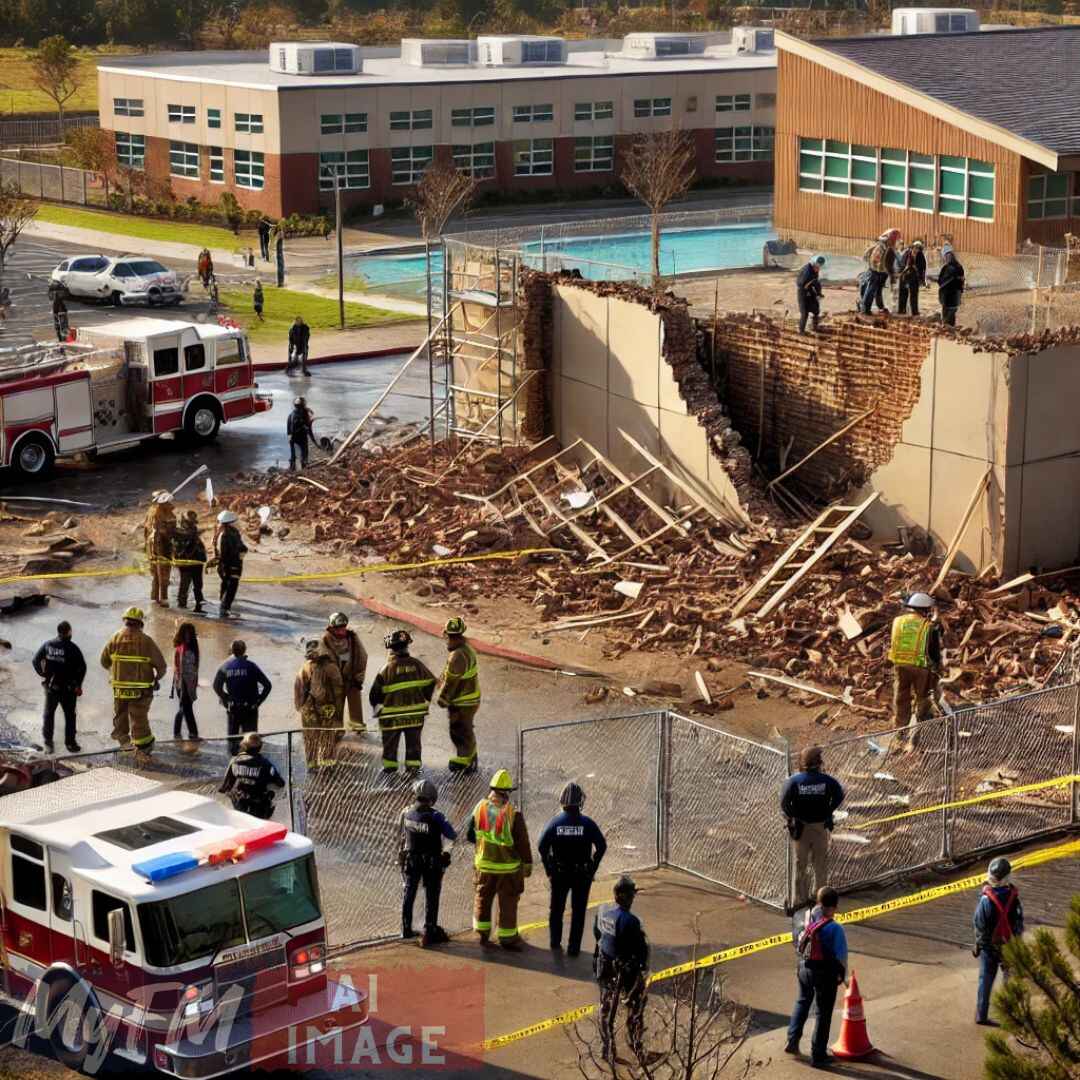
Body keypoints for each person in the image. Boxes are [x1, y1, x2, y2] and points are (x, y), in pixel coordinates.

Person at [467, 769, 533, 950]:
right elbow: (522, 843)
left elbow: (470, 835)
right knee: (508, 902)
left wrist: (484, 846)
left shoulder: (479, 808)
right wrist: (527, 865)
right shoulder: (513, 814)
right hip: (508, 869)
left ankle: (481, 933)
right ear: (506, 792)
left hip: (484, 866)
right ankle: (507, 937)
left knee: (482, 897)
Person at [539, 781, 607, 957]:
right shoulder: (588, 824)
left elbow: (541, 846)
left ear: (563, 801)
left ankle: (555, 943)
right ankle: (574, 948)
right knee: (578, 912)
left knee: (556, 910)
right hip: (581, 874)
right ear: (580, 802)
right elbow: (602, 846)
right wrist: (592, 867)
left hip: (560, 874)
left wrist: (549, 868)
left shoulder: (555, 823)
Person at [786, 885, 849, 1068]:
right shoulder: (834, 928)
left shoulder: (805, 917)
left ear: (818, 902)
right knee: (823, 1013)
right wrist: (843, 979)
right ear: (832, 907)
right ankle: (818, 1055)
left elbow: (796, 939)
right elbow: (841, 957)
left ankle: (792, 1041)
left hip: (803, 967)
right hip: (824, 974)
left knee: (802, 1001)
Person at [594, 875, 650, 1064]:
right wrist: (642, 970)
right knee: (635, 1007)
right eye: (632, 895)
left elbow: (597, 934)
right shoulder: (631, 920)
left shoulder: (603, 911)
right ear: (625, 896)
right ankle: (637, 1048)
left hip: (604, 964)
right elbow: (640, 949)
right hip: (624, 970)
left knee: (605, 1008)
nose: (633, 898)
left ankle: (606, 1049)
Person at [780, 747, 845, 909]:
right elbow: (839, 795)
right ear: (818, 763)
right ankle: (820, 899)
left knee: (800, 864)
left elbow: (784, 803)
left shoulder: (794, 781)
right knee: (820, 864)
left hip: (800, 829)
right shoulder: (828, 781)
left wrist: (793, 816)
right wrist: (828, 810)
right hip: (820, 827)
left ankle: (799, 900)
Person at [100, 606, 167, 757]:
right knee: (139, 718)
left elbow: (104, 661)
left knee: (120, 715)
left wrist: (116, 672)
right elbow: (161, 666)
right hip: (141, 690)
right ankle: (144, 748)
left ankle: (124, 742)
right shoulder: (147, 641)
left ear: (125, 621)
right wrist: (157, 679)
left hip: (120, 689)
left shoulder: (115, 638)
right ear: (140, 623)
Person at [399, 778, 457, 947]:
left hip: (412, 861)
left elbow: (403, 837)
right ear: (432, 797)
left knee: (409, 893)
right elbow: (452, 835)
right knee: (431, 895)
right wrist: (446, 854)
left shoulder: (407, 813)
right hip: (432, 863)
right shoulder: (436, 816)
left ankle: (406, 929)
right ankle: (429, 930)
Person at [369, 629, 436, 774]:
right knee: (414, 744)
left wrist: (377, 706)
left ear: (391, 649)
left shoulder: (386, 669)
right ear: (406, 647)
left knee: (390, 745)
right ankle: (413, 767)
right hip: (415, 716)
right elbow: (431, 682)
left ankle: (390, 768)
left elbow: (374, 694)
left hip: (391, 718)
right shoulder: (418, 665)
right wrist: (424, 700)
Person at [887, 591, 943, 751]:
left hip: (900, 666)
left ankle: (899, 734)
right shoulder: (928, 626)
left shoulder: (897, 621)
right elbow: (934, 653)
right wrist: (938, 668)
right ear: (925, 609)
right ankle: (914, 739)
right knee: (922, 701)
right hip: (921, 668)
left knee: (901, 699)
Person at [973, 856, 1024, 1026]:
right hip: (1009, 944)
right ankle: (1010, 1014)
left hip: (989, 948)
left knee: (985, 980)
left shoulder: (986, 900)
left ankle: (981, 1015)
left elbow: (979, 924)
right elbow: (1018, 922)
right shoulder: (1013, 896)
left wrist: (980, 945)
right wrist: (1017, 943)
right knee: (1010, 979)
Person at [31, 620, 86, 753]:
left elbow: (35, 660)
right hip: (68, 689)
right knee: (70, 716)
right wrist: (78, 685)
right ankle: (70, 743)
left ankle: (48, 743)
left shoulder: (48, 644)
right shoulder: (72, 648)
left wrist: (43, 674)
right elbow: (82, 667)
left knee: (49, 714)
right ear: (68, 632)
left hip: (51, 687)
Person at [212, 639, 272, 756]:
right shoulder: (252, 666)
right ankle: (251, 765)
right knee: (251, 742)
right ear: (244, 650)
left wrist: (226, 698)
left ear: (232, 651)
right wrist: (259, 700)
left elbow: (216, 686)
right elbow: (268, 685)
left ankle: (234, 766)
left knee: (233, 743)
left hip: (233, 709)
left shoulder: (225, 667)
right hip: (250, 709)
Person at [437, 616, 481, 772]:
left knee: (458, 729)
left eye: (448, 637)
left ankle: (464, 761)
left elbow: (451, 682)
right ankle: (471, 755)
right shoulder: (466, 650)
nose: (447, 640)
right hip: (470, 698)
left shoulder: (457, 656)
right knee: (466, 728)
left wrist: (442, 698)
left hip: (462, 701)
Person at [294, 638, 345, 768]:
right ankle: (327, 763)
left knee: (310, 736)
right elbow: (339, 692)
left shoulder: (304, 668)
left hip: (308, 709)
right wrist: (338, 714)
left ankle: (312, 764)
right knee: (327, 735)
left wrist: (301, 708)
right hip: (327, 708)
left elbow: (298, 689)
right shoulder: (332, 668)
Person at [219, 732, 285, 819]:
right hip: (259, 809)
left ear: (244, 746)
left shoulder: (234, 761)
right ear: (260, 747)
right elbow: (280, 783)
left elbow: (226, 787)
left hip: (240, 806)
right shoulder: (266, 764)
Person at [321, 612, 368, 733]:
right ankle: (336, 732)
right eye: (339, 628)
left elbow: (362, 657)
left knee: (356, 710)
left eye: (344, 627)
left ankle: (359, 731)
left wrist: (359, 678)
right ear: (332, 628)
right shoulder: (325, 641)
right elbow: (323, 664)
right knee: (335, 710)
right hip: (334, 683)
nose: (342, 631)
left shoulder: (352, 638)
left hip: (352, 680)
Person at [144, 491, 176, 607]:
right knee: (163, 574)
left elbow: (146, 531)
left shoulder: (152, 512)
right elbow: (165, 532)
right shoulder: (160, 514)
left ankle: (155, 597)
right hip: (161, 546)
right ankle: (163, 599)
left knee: (156, 575)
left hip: (152, 547)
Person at [214, 509, 247, 618]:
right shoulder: (227, 535)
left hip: (226, 564)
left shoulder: (226, 533)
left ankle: (223, 604)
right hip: (231, 565)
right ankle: (224, 608)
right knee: (231, 587)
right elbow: (227, 553)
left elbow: (240, 545)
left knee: (225, 585)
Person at [173, 511, 207, 613]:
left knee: (198, 584)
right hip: (186, 564)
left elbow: (197, 545)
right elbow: (179, 550)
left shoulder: (193, 532)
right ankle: (182, 605)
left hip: (196, 562)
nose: (192, 524)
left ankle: (199, 603)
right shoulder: (179, 533)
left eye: (192, 523)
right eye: (190, 522)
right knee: (185, 584)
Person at [172, 622, 200, 743]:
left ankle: (178, 732)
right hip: (182, 682)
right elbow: (179, 669)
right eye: (185, 633)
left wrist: (194, 682)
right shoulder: (182, 648)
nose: (188, 636)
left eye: (190, 633)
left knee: (185, 707)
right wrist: (183, 686)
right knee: (186, 708)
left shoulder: (193, 647)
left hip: (189, 682)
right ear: (182, 634)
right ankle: (192, 734)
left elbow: (195, 667)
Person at [860, 229, 900, 314]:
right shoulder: (882, 247)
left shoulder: (886, 247)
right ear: (890, 239)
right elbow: (875, 260)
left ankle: (880, 307)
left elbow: (888, 263)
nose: (895, 242)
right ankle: (865, 309)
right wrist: (877, 271)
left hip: (881, 272)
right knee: (871, 290)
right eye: (895, 240)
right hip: (876, 272)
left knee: (878, 291)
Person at [937, 244, 966, 326]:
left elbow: (940, 281)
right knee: (949, 315)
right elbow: (940, 281)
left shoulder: (950, 267)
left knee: (949, 316)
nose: (947, 258)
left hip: (950, 296)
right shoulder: (955, 267)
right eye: (947, 256)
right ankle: (947, 329)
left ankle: (947, 328)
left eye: (948, 256)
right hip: (949, 296)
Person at [796, 255, 825, 334]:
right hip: (802, 292)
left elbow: (816, 283)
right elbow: (800, 284)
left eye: (819, 267)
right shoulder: (807, 273)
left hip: (809, 290)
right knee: (804, 313)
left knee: (816, 309)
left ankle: (814, 326)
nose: (818, 269)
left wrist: (819, 293)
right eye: (817, 267)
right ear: (813, 265)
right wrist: (808, 291)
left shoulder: (814, 271)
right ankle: (801, 331)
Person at [897, 239, 927, 316]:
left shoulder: (921, 256)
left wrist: (922, 280)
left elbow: (923, 269)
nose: (916, 250)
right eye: (915, 248)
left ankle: (914, 312)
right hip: (904, 276)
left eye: (918, 248)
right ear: (912, 247)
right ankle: (901, 311)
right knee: (903, 294)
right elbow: (901, 265)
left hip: (914, 278)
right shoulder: (907, 254)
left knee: (914, 295)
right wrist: (901, 273)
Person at [287, 396, 314, 471]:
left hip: (293, 437)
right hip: (300, 437)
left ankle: (293, 467)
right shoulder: (301, 414)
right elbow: (304, 424)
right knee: (304, 453)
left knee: (294, 454)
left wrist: (289, 437)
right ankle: (303, 467)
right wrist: (305, 427)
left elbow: (288, 428)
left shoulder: (291, 414)